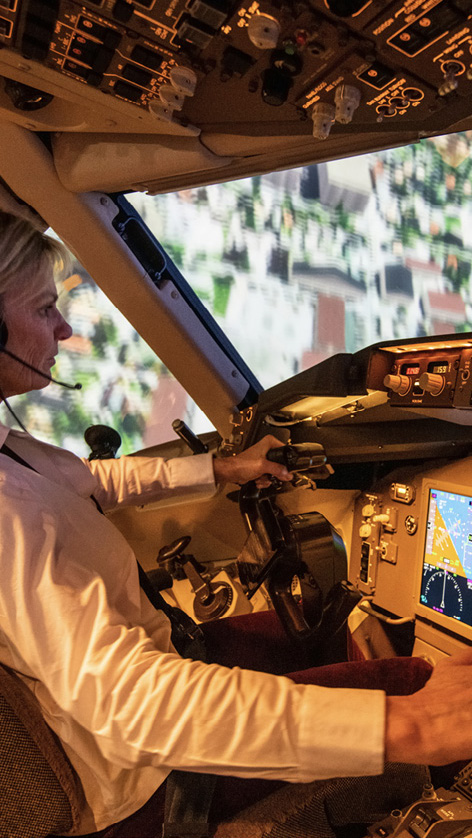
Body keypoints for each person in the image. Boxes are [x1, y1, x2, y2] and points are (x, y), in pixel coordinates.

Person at [1, 209, 472, 837]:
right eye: (41, 309)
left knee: (319, 633)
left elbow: (94, 481)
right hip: (133, 779)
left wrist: (224, 469)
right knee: (413, 684)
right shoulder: (9, 510)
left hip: (148, 670)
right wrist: (413, 726)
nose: (61, 328)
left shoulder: (14, 451)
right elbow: (132, 704)